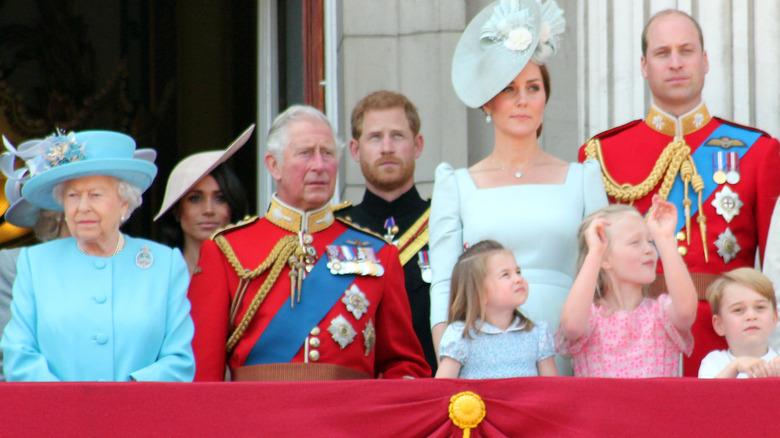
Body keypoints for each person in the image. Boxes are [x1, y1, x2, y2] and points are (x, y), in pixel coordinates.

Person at [579, 9, 780, 376]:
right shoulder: (603, 154)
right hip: (634, 345)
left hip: (728, 340)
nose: (675, 63)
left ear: (704, 61)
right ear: (643, 65)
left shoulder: (757, 151)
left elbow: (775, 265)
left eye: (686, 51)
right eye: (662, 53)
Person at [188, 105, 430, 381]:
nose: (319, 165)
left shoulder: (379, 254)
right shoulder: (225, 250)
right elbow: (202, 374)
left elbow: (403, 365)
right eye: (305, 153)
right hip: (260, 419)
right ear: (273, 165)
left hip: (348, 420)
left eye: (327, 153)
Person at [430, 0, 607, 375]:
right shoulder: (456, 185)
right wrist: (453, 361)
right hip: (484, 355)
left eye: (533, 87)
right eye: (509, 89)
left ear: (545, 97)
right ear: (488, 102)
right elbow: (445, 282)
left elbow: (602, 277)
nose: (523, 100)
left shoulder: (583, 178)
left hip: (573, 345)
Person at [0, 130, 195, 381]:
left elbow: (179, 360)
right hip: (57, 415)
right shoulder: (34, 264)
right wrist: (67, 404)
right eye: (73, 195)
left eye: (96, 195)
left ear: (124, 202)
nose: (83, 207)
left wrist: (124, 399)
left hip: (141, 415)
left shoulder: (164, 265)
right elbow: (19, 355)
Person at [336, 91, 436, 374]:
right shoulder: (337, 228)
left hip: (438, 393)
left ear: (417, 145)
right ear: (355, 150)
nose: (387, 147)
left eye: (398, 136)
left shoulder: (446, 223)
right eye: (375, 137)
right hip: (354, 398)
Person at [557, 197, 698, 377]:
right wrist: (595, 253)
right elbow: (571, 326)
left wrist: (665, 239)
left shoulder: (661, 314)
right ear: (606, 259)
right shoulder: (590, 318)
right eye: (635, 242)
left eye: (650, 241)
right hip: (601, 406)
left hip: (656, 406)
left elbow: (686, 312)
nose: (648, 249)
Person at [435, 240, 557, 379]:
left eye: (518, 271)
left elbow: (553, 390)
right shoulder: (461, 336)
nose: (518, 279)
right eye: (505, 274)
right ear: (478, 293)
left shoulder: (537, 335)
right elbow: (442, 389)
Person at [155, 125, 253, 276]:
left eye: (220, 198)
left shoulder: (249, 274)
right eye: (195, 199)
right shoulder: (157, 276)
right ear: (176, 210)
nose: (208, 210)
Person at [699, 268, 780, 378]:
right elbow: (708, 394)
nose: (751, 316)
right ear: (719, 324)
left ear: (774, 319)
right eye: (738, 310)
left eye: (760, 307)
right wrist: (734, 367)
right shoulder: (714, 362)